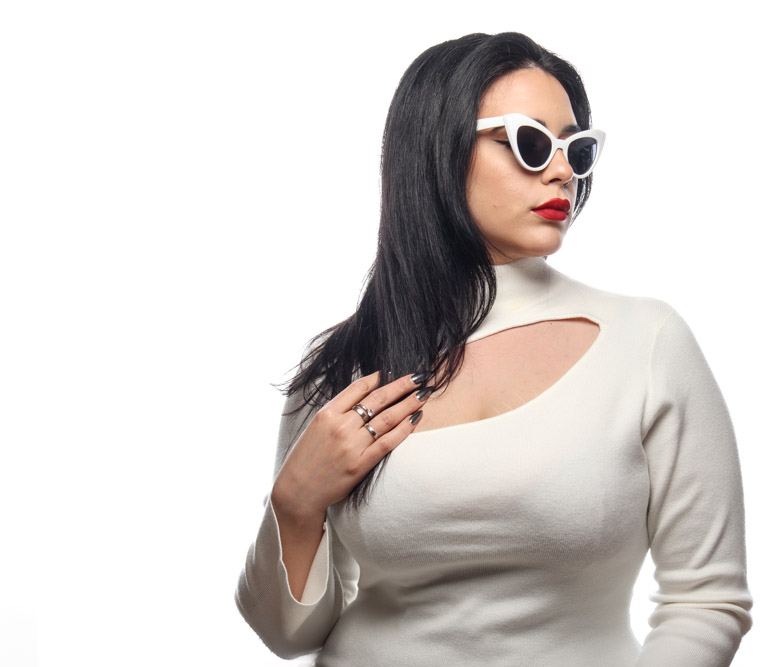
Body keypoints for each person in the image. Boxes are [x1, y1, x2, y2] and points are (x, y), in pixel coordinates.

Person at [236, 31, 753, 666]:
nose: (562, 171)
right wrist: (293, 505)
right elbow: (290, 635)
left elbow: (706, 599)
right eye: (531, 143)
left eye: (576, 149)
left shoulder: (646, 343)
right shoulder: (347, 364)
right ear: (439, 147)